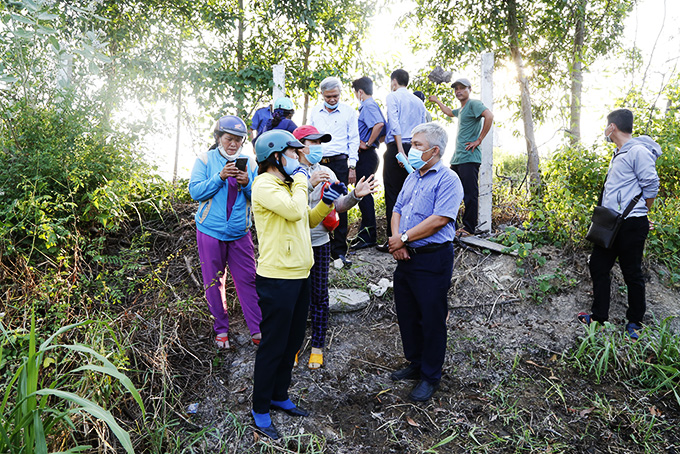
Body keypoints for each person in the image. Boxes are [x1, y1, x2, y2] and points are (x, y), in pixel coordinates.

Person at [250, 129, 344, 440]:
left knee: (292, 342)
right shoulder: (264, 184)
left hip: (300, 272)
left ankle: (280, 394)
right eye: (292, 153)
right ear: (275, 156)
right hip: (277, 277)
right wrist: (305, 178)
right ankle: (260, 407)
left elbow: (306, 219)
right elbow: (292, 209)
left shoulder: (287, 185)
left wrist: (326, 202)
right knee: (273, 345)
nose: (297, 157)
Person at [387, 122, 463, 402]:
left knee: (431, 318)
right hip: (406, 257)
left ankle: (431, 376)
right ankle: (416, 363)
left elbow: (440, 219)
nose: (411, 149)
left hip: (432, 259)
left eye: (418, 145)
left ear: (435, 150)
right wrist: (397, 241)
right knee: (408, 314)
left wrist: (404, 238)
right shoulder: (413, 177)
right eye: (412, 144)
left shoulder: (448, 179)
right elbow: (397, 209)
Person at [293, 125, 379, 370]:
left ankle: (318, 346)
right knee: (296, 298)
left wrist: (356, 196)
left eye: (321, 142)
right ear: (299, 147)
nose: (318, 147)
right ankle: (295, 345)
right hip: (295, 243)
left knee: (319, 296)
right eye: (313, 142)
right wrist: (309, 184)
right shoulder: (288, 173)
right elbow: (289, 204)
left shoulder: (328, 172)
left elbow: (338, 205)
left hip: (319, 241)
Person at [578, 108, 661, 340]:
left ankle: (635, 323)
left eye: (606, 126)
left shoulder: (638, 151)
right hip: (611, 223)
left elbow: (651, 184)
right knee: (598, 265)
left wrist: (643, 212)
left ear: (612, 127)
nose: (605, 130)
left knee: (632, 273)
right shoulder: (619, 152)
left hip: (631, 224)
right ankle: (599, 318)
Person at [189, 115, 262, 349]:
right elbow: (195, 192)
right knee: (213, 282)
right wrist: (220, 177)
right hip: (210, 231)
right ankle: (221, 329)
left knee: (248, 280)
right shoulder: (205, 160)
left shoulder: (250, 163)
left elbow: (260, 198)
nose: (233, 144)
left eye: (238, 140)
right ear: (218, 137)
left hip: (240, 232)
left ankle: (257, 329)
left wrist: (246, 184)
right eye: (229, 138)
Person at [429, 77, 493, 236]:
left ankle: (469, 228)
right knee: (450, 191)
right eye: (456, 88)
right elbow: (450, 112)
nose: (458, 91)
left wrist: (479, 140)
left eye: (462, 88)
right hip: (458, 158)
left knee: (469, 194)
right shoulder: (463, 109)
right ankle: (452, 225)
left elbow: (489, 116)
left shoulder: (473, 104)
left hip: (469, 157)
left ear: (469, 89)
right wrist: (437, 101)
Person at [310, 76, 360, 267]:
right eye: (328, 96)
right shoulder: (316, 112)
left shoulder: (348, 112)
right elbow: (311, 137)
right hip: (318, 161)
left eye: (335, 96)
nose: (332, 99)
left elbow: (353, 139)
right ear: (322, 94)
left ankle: (338, 250)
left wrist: (352, 166)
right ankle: (318, 245)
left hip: (340, 162)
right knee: (316, 201)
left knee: (340, 205)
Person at [377, 69, 428, 253]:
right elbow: (423, 128)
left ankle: (394, 239)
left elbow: (395, 123)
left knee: (393, 193)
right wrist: (416, 150)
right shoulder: (418, 102)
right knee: (414, 193)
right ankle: (414, 237)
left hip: (398, 149)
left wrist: (400, 151)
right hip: (416, 149)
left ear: (394, 81)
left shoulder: (393, 97)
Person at [349, 76, 385, 249]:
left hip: (366, 154)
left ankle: (369, 237)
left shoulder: (369, 105)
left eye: (356, 93)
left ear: (360, 92)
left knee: (364, 195)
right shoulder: (369, 106)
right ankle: (364, 234)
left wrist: (368, 143)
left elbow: (379, 125)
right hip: (368, 155)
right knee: (363, 195)